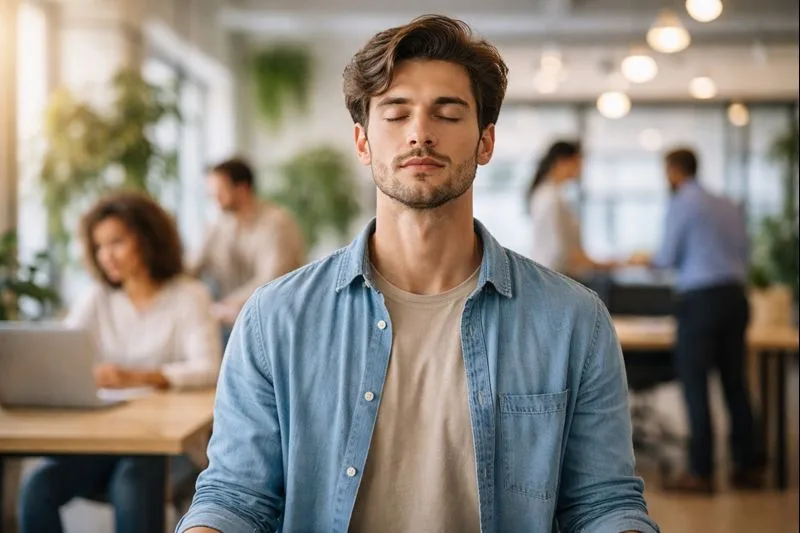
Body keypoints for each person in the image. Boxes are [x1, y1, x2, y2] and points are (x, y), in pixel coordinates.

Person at [178, 15, 658, 533]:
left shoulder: (573, 321)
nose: (420, 134)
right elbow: (236, 497)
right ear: (362, 143)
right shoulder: (275, 318)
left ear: (485, 142)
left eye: (448, 114)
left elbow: (602, 504)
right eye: (396, 113)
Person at [17, 191, 222, 533]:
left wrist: (137, 376)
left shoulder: (189, 295)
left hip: (168, 445)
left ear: (147, 239)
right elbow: (63, 353)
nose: (106, 256)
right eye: (99, 246)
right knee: (37, 488)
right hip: (105, 438)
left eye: (116, 243)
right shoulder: (96, 296)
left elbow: (208, 368)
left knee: (131, 482)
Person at [628, 148, 762, 493]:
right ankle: (748, 467)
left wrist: (647, 260)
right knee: (735, 384)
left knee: (696, 384)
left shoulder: (683, 203)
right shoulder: (728, 204)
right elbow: (745, 253)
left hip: (702, 300)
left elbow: (667, 257)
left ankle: (700, 473)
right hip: (735, 297)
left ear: (673, 171)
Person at [190, 158, 305, 328]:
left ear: (243, 189)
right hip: (233, 320)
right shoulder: (217, 226)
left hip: (274, 319)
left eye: (220, 190)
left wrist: (225, 305)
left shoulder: (276, 223)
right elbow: (193, 266)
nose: (214, 196)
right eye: (212, 191)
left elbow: (272, 280)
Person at [527, 140, 617, 277]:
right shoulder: (551, 199)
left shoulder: (549, 195)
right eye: (578, 162)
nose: (580, 168)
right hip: (555, 278)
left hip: (552, 277)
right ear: (563, 161)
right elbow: (561, 252)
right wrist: (607, 264)